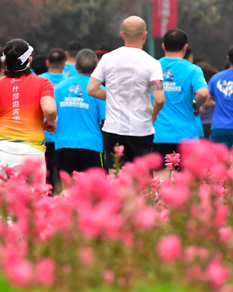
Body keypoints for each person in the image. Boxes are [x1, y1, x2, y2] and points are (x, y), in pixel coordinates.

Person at [87, 16, 164, 167]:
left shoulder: (107, 59)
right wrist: (154, 112)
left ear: (122, 35)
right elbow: (160, 99)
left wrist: (112, 96)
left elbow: (92, 89)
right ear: (145, 35)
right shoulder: (153, 63)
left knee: (115, 175)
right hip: (141, 130)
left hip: (113, 129)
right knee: (141, 178)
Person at [0, 39, 57, 172]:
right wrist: (50, 122)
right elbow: (50, 109)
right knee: (32, 194)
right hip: (31, 153)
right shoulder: (43, 83)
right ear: (30, 60)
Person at [152, 29, 210, 160]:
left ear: (163, 46)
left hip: (159, 134)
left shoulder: (154, 67)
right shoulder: (193, 70)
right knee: (185, 178)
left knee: (161, 178)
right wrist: (197, 105)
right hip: (186, 135)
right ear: (185, 47)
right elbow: (202, 93)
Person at [54, 49, 105, 177]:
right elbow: (105, 121)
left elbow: (51, 116)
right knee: (92, 190)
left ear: (75, 66)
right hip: (91, 146)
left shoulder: (59, 87)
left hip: (64, 144)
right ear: (96, 67)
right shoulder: (100, 90)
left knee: (67, 189)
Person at [40, 48, 66, 190]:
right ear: (64, 65)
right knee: (61, 174)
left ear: (47, 62)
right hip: (61, 136)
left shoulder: (40, 80)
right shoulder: (68, 83)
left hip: (43, 135)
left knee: (46, 171)